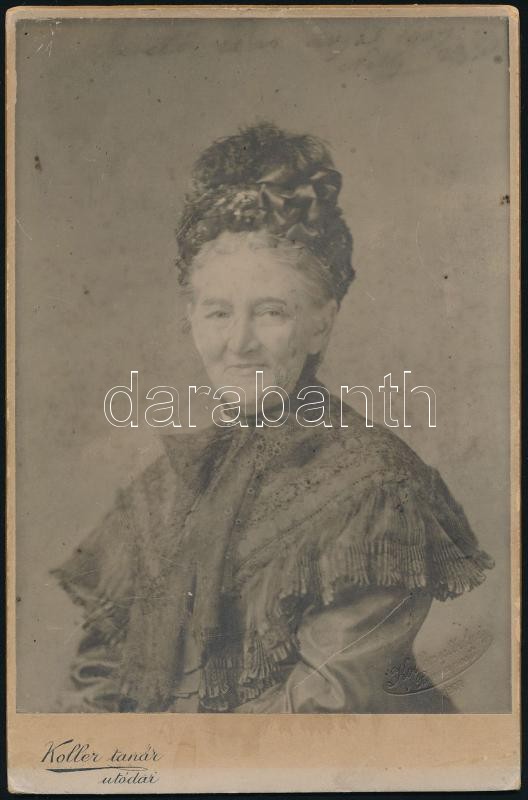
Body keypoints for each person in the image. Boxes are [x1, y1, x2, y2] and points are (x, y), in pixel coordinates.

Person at [52, 122, 493, 713]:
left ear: (320, 324)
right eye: (217, 313)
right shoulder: (161, 492)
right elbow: (95, 681)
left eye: (270, 312)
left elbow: (327, 710)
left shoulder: (374, 488)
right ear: (191, 318)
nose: (239, 344)